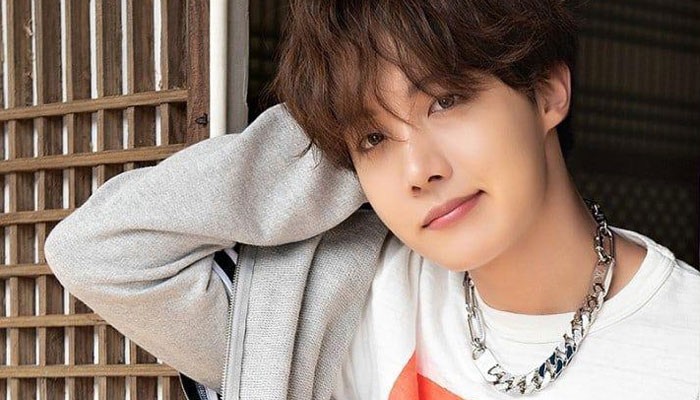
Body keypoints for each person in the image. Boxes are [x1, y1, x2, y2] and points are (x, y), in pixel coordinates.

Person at [44, 1, 699, 399]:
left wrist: (365, 118)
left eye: (446, 100)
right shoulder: (344, 310)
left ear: (548, 92)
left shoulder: (684, 348)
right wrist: (333, 125)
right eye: (376, 139)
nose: (419, 171)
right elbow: (100, 250)